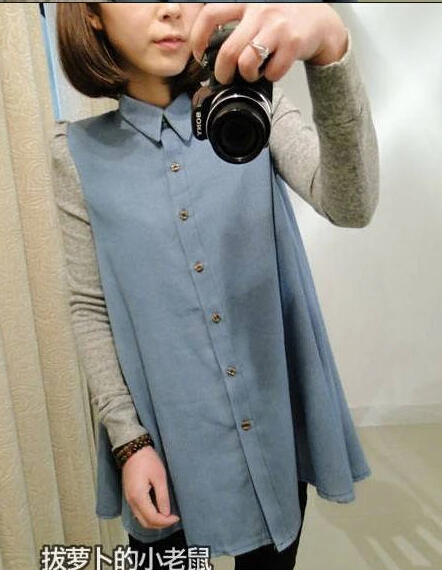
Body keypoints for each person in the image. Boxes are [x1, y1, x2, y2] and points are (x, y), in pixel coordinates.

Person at [53, 3, 379, 569]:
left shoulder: (251, 108)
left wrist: (331, 49)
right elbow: (88, 305)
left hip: (272, 425)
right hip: (163, 444)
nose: (170, 9)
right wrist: (129, 441)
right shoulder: (76, 155)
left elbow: (351, 205)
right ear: (94, 14)